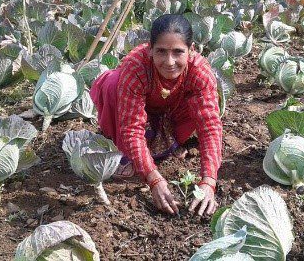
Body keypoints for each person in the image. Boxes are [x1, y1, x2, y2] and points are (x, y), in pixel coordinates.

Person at [90, 14, 222, 216]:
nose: (170, 62)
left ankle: (164, 142)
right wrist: (154, 180)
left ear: (191, 50)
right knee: (112, 83)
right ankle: (129, 153)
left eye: (178, 52)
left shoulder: (199, 72)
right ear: (150, 49)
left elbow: (210, 127)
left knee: (203, 106)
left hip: (170, 112)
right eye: (161, 52)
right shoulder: (136, 66)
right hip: (132, 110)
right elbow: (132, 128)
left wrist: (209, 182)